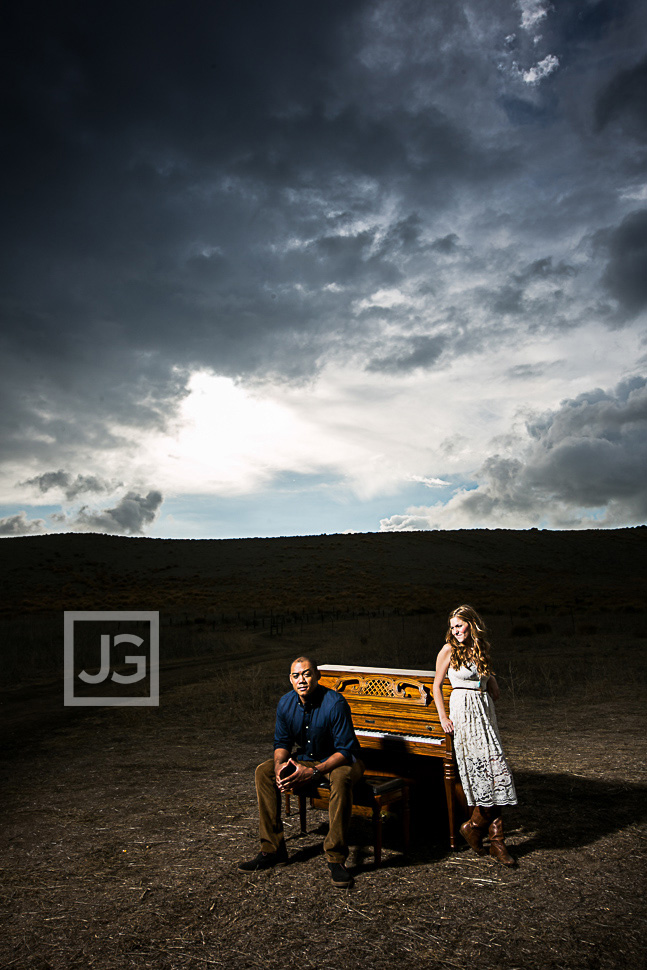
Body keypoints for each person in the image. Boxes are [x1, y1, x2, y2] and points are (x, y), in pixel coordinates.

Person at [238, 656, 364, 887]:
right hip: (308, 758)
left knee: (341, 777)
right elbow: (282, 743)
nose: (302, 680)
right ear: (290, 679)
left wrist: (314, 772)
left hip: (340, 760)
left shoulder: (335, 703)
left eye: (306, 674)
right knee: (263, 772)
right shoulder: (285, 703)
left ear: (317, 675)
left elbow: (346, 751)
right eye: (296, 676)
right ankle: (272, 849)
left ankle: (336, 858)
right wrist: (278, 767)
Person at [432, 605, 517, 866]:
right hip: (464, 713)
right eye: (453, 627)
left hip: (484, 712)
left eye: (460, 625)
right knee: (483, 776)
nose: (456, 631)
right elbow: (436, 685)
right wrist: (443, 717)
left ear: (472, 624)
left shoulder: (481, 650)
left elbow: (495, 691)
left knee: (497, 774)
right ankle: (497, 842)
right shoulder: (448, 650)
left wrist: (489, 678)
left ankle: (473, 827)